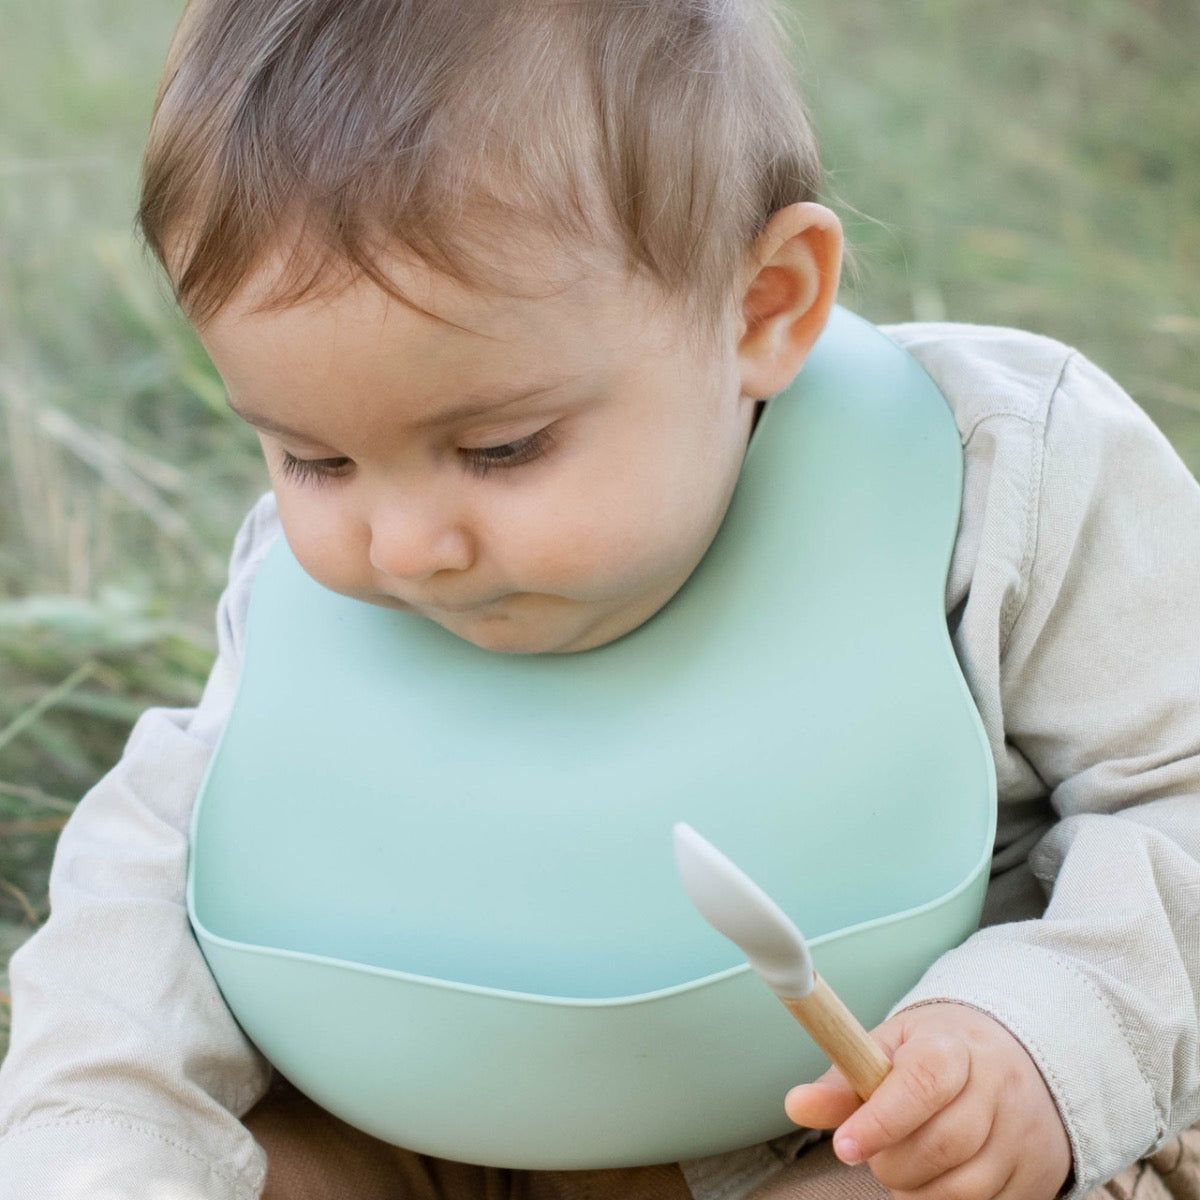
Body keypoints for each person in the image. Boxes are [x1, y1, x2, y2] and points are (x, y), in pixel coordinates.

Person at [1, 1, 1198, 1198]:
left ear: (764, 304)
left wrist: (1042, 1035)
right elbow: (158, 861)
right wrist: (103, 1146)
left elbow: (1182, 793)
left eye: (503, 448)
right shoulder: (312, 577)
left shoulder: (998, 476)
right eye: (314, 459)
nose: (409, 547)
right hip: (450, 1137)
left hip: (864, 1128)